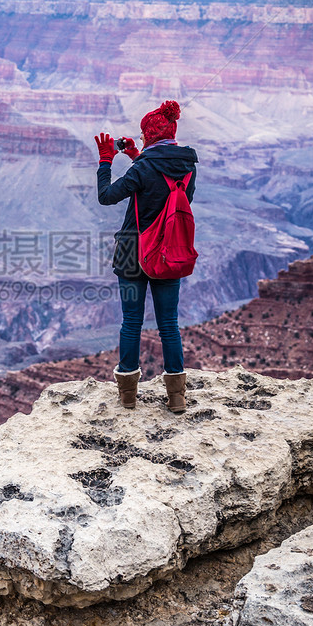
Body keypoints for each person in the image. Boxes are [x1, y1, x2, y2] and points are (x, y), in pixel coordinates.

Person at [94, 100, 197, 413]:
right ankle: (176, 397)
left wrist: (106, 161)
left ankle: (127, 397)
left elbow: (106, 197)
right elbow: (167, 193)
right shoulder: (188, 167)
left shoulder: (142, 168)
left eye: (141, 136)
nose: (139, 139)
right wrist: (136, 157)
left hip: (131, 253)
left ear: (150, 137)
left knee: (131, 323)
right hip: (169, 250)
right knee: (169, 324)